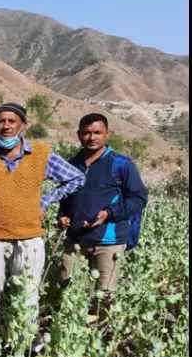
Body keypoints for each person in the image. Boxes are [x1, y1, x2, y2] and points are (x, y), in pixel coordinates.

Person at [0, 103, 84, 338]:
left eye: (11, 121)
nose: (6, 126)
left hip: (29, 236)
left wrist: (47, 201)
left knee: (27, 292)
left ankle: (24, 339)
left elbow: (76, 178)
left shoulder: (41, 154)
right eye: (1, 121)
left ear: (23, 125)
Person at [57, 113, 147, 325]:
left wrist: (109, 213)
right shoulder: (72, 164)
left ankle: (96, 343)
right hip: (76, 240)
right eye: (86, 133)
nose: (91, 137)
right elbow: (65, 198)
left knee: (103, 297)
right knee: (66, 289)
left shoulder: (121, 164)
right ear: (79, 135)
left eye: (97, 132)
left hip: (109, 241)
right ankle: (70, 335)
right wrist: (63, 217)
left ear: (107, 134)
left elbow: (139, 198)